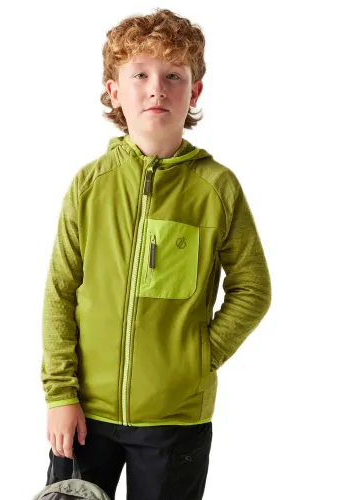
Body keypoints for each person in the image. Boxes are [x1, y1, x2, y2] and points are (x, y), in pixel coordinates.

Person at [41, 8, 272, 500]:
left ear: (195, 92)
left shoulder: (216, 188)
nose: (156, 89)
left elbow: (253, 289)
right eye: (140, 75)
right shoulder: (89, 185)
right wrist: (60, 395)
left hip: (175, 419)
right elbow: (60, 293)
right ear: (114, 91)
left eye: (173, 76)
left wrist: (200, 357)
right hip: (84, 416)